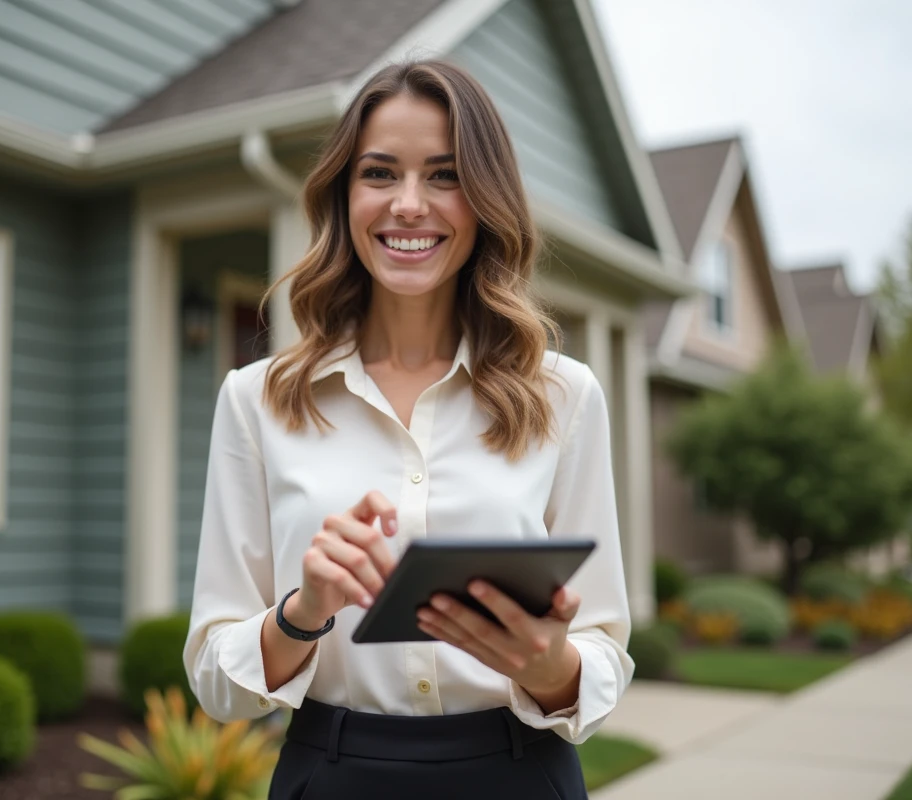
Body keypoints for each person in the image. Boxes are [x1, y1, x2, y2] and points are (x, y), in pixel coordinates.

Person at [183, 59, 634, 800]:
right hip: (329, 775)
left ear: (487, 199)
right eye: (380, 174)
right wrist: (306, 612)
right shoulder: (255, 399)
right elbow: (215, 683)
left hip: (519, 776)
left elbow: (605, 656)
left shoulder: (564, 395)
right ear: (345, 196)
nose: (409, 204)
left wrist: (547, 666)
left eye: (446, 175)